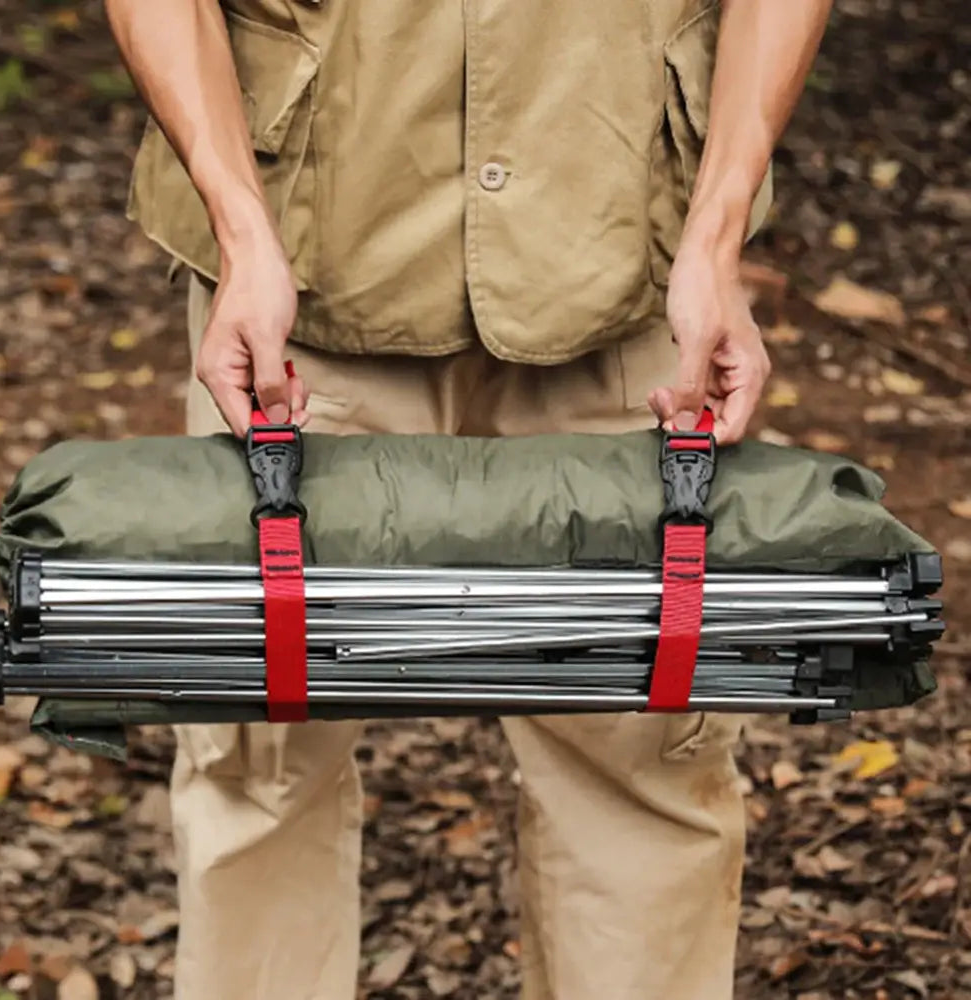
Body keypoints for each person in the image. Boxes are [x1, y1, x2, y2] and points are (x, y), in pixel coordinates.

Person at [104, 1, 832, 997]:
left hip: (630, 263)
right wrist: (239, 227)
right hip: (296, 282)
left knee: (645, 758)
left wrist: (717, 229)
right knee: (256, 763)